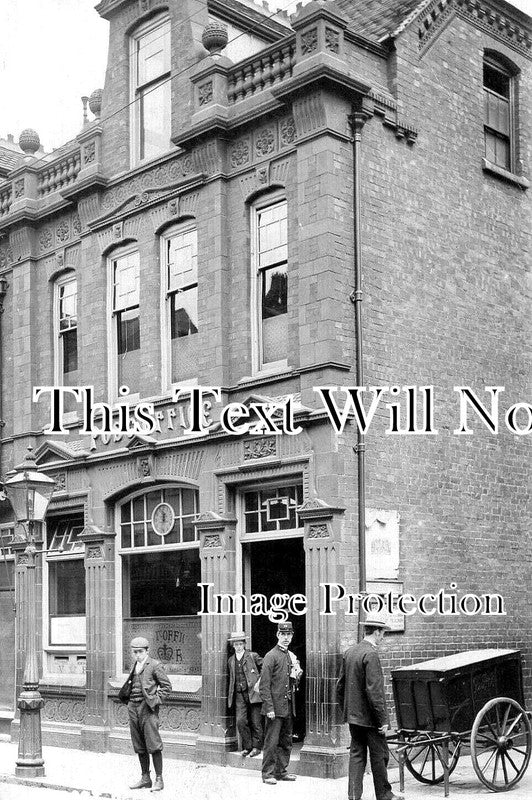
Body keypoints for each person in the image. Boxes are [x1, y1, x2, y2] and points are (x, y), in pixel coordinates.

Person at [336, 614, 404, 800]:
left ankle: (354, 796)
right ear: (376, 632)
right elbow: (375, 691)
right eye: (383, 633)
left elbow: (340, 687)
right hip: (371, 719)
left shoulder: (350, 652)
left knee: (356, 755)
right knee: (380, 756)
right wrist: (382, 720)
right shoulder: (371, 654)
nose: (383, 637)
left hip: (354, 718)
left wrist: (347, 711)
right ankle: (384, 794)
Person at [119, 636, 172, 792]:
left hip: (147, 709)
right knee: (139, 744)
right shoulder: (134, 666)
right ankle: (145, 778)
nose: (137, 655)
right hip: (133, 708)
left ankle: (159, 779)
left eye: (140, 652)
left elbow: (167, 686)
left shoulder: (154, 665)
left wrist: (155, 700)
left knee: (154, 744)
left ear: (147, 651)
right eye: (135, 652)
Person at [259, 620, 303, 785]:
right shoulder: (271, 656)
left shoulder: (289, 655)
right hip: (274, 709)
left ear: (292, 636)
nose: (286, 637)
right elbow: (264, 686)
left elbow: (289, 681)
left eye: (288, 634)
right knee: (271, 742)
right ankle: (267, 774)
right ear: (278, 635)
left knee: (286, 741)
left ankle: (281, 771)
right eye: (283, 634)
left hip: (287, 706)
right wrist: (269, 707)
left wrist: (296, 676)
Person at [227, 631, 264, 757]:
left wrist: (259, 681)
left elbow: (266, 667)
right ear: (233, 645)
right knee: (241, 721)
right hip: (239, 694)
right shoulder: (231, 660)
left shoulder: (253, 656)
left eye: (240, 644)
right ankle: (247, 747)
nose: (238, 646)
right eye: (236, 644)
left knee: (256, 721)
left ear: (244, 644)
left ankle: (257, 747)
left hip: (254, 693)